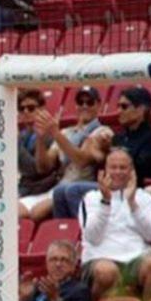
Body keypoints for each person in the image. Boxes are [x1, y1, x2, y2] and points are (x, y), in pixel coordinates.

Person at [54, 86, 151, 219]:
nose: (118, 111)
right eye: (118, 106)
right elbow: (102, 161)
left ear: (141, 110)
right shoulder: (118, 137)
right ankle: (65, 232)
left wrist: (111, 152)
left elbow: (140, 172)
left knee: (73, 190)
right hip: (109, 186)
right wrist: (101, 151)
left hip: (132, 190)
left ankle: (87, 230)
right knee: (59, 192)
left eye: (124, 107)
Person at [79, 148, 151, 299]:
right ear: (105, 170)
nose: (118, 172)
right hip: (101, 257)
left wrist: (132, 204)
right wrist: (105, 203)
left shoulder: (145, 197)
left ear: (131, 170)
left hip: (137, 258)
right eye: (113, 167)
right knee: (106, 272)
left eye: (123, 167)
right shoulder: (90, 198)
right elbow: (92, 237)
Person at [25, 86, 112, 221]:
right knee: (14, 209)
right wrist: (40, 139)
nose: (84, 106)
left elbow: (81, 160)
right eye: (80, 102)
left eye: (89, 102)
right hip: (58, 186)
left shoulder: (102, 131)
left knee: (36, 213)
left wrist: (55, 133)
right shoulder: (66, 132)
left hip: (82, 187)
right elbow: (44, 167)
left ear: (98, 105)